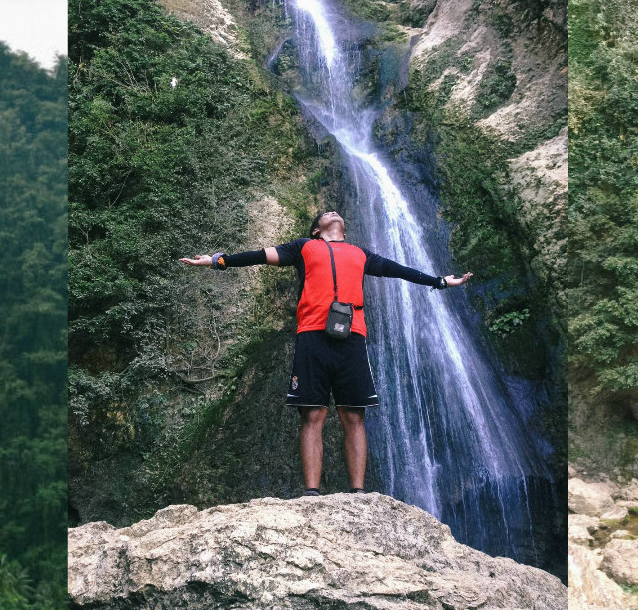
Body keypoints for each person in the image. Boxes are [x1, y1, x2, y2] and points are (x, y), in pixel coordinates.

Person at [179, 211, 472, 497]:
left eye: (335, 212)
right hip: (312, 335)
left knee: (353, 415)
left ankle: (359, 494)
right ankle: (311, 493)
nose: (332, 212)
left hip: (352, 336)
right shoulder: (303, 247)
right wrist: (217, 260)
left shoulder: (361, 253)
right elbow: (258, 255)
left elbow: (398, 270)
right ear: (316, 230)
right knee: (312, 413)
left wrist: (440, 281)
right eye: (325, 214)